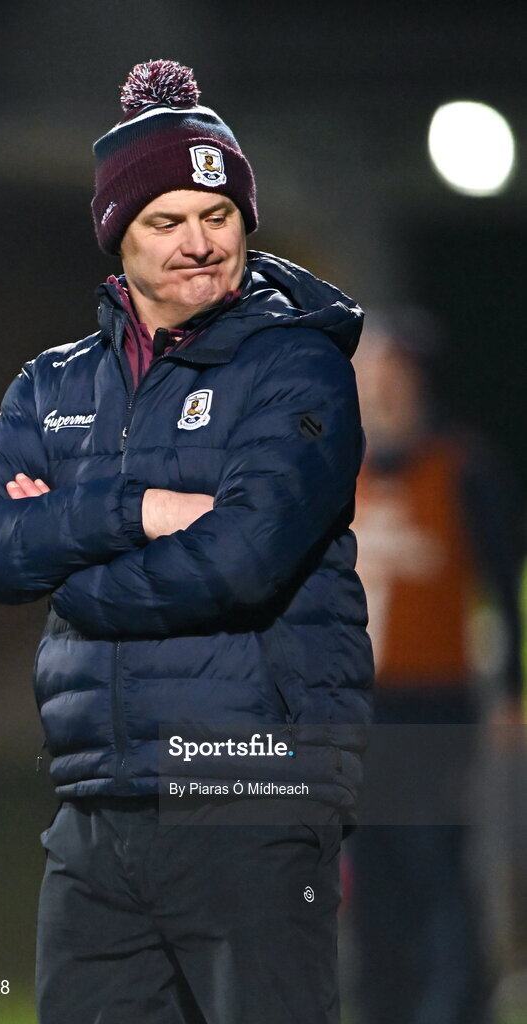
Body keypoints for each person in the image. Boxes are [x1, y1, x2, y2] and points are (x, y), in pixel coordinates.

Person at [0, 59, 373, 1024]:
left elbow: (240, 561)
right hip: (95, 795)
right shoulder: (53, 383)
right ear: (116, 237)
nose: (198, 244)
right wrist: (126, 514)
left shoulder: (296, 365)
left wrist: (70, 575)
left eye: (217, 218)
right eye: (165, 221)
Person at [349, 310, 524, 1024]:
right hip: (351, 706)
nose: (385, 387)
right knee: (371, 876)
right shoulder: (329, 467)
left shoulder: (459, 465)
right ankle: (383, 1005)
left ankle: (453, 1007)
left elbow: (497, 579)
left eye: (397, 372)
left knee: (438, 867)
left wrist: (509, 688)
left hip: (433, 701)